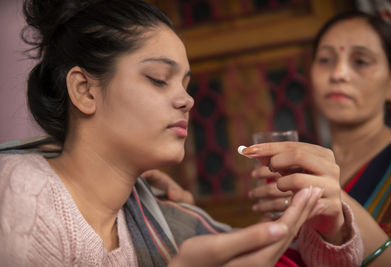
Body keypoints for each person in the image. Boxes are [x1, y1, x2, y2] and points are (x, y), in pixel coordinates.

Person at [0, 1, 363, 266]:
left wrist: (328, 229)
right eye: (159, 79)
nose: (187, 100)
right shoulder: (21, 194)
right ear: (85, 90)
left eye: (185, 84)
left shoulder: (161, 217)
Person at [249, 11, 391, 266]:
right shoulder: (301, 167)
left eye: (361, 61)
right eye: (326, 60)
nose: (338, 74)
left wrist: (338, 203)